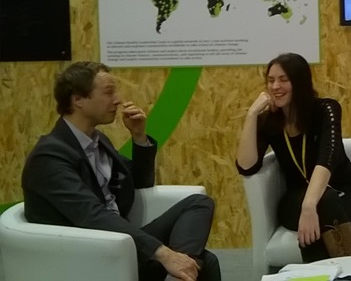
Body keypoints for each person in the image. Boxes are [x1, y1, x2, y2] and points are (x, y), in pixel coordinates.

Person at [21, 61, 220, 281]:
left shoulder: (97, 140)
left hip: (120, 241)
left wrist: (139, 136)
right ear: (78, 100)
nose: (117, 100)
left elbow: (140, 182)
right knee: (201, 262)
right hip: (88, 255)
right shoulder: (49, 157)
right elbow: (92, 216)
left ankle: (181, 274)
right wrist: (164, 254)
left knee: (199, 206)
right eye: (108, 92)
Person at [236, 52, 351, 263]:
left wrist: (309, 206)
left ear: (300, 82)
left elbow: (327, 158)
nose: (275, 86)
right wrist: (251, 115)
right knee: (324, 202)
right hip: (296, 199)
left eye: (283, 79)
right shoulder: (270, 121)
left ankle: (322, 273)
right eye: (270, 80)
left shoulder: (326, 110)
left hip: (344, 196)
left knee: (326, 200)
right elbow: (246, 166)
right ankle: (349, 272)